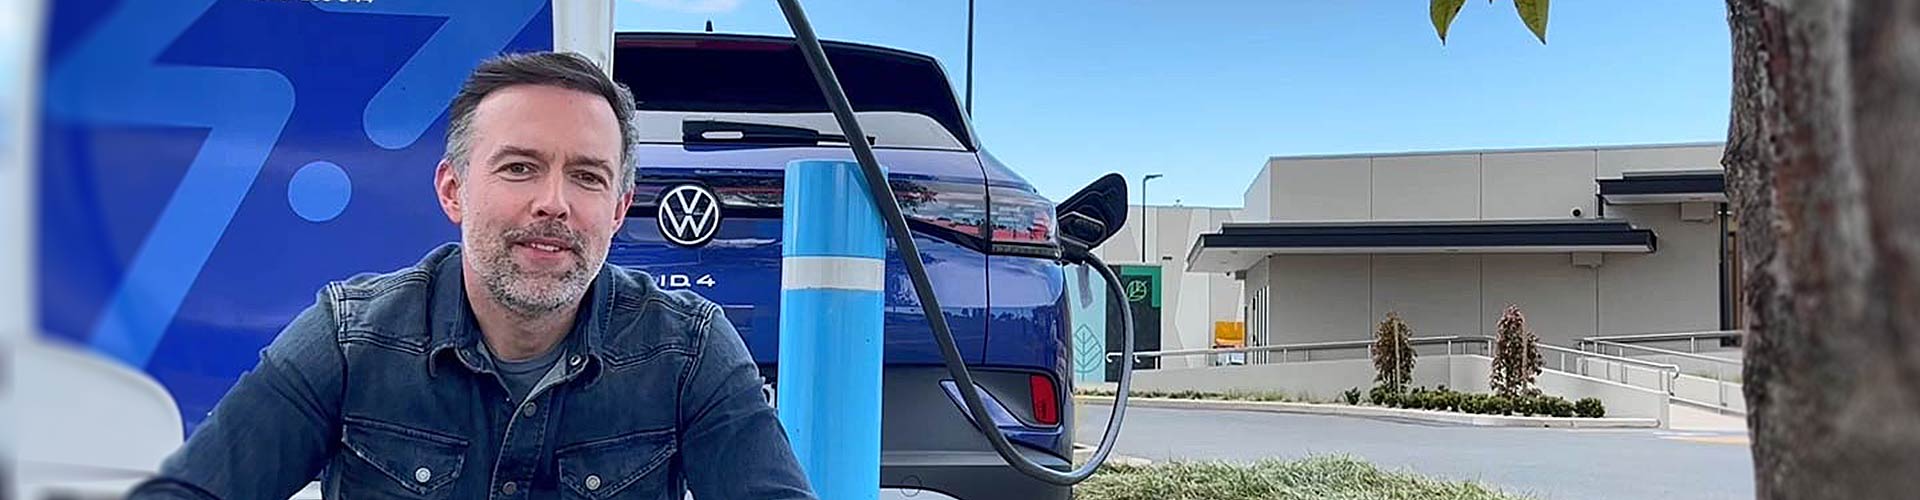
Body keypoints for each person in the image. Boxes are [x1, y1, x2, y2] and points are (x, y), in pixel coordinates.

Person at [128, 52, 816, 499]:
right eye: (520, 167)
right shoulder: (350, 338)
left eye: (587, 176)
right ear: (453, 191)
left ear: (617, 209)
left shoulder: (688, 350)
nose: (554, 201)